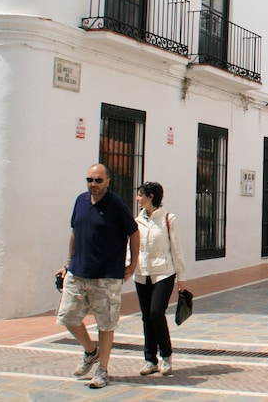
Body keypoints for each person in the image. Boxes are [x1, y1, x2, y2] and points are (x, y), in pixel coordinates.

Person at [55, 164, 139, 389]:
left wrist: (133, 264)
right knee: (67, 317)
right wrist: (68, 263)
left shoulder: (116, 205)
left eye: (98, 180)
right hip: (78, 271)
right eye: (90, 180)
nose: (93, 184)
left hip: (107, 274)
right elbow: (75, 231)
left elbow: (134, 232)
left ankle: (103, 369)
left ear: (108, 181)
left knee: (106, 323)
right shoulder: (80, 200)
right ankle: (90, 351)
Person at [133, 181, 187, 377]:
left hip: (164, 272)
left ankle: (166, 355)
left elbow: (177, 250)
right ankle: (150, 359)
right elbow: (132, 247)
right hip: (142, 273)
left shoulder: (168, 219)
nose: (138, 198)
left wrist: (181, 278)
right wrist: (129, 267)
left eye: (140, 195)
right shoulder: (137, 221)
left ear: (151, 196)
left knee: (156, 312)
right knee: (146, 316)